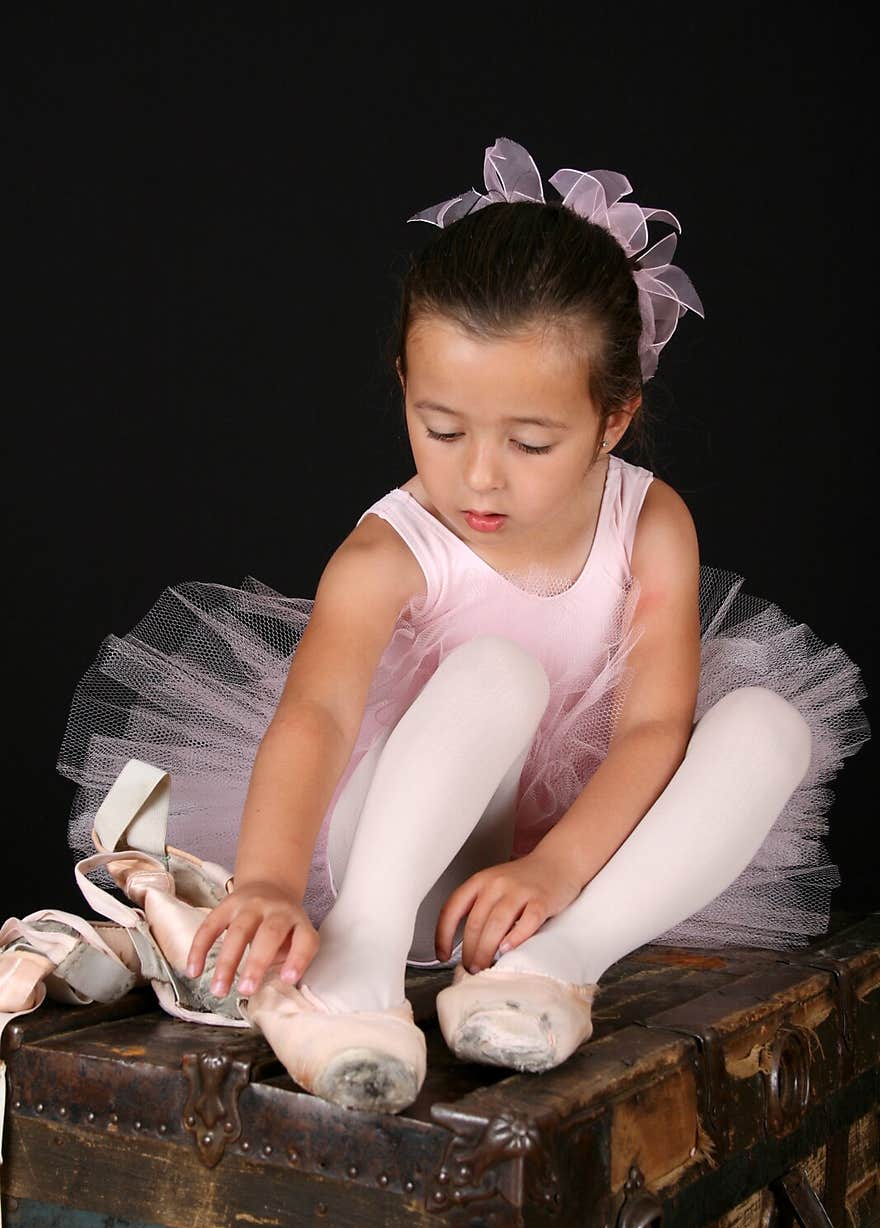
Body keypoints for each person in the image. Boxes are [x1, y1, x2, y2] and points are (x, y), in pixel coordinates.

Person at [45, 137, 870, 1113]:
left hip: (572, 873)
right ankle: (360, 963)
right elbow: (313, 716)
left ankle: (555, 969)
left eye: (529, 441)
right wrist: (264, 880)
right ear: (402, 382)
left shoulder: (649, 522)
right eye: (441, 429)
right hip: (401, 862)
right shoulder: (390, 550)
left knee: (771, 725)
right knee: (495, 669)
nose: (478, 476)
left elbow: (653, 727)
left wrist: (556, 869)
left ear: (613, 419)